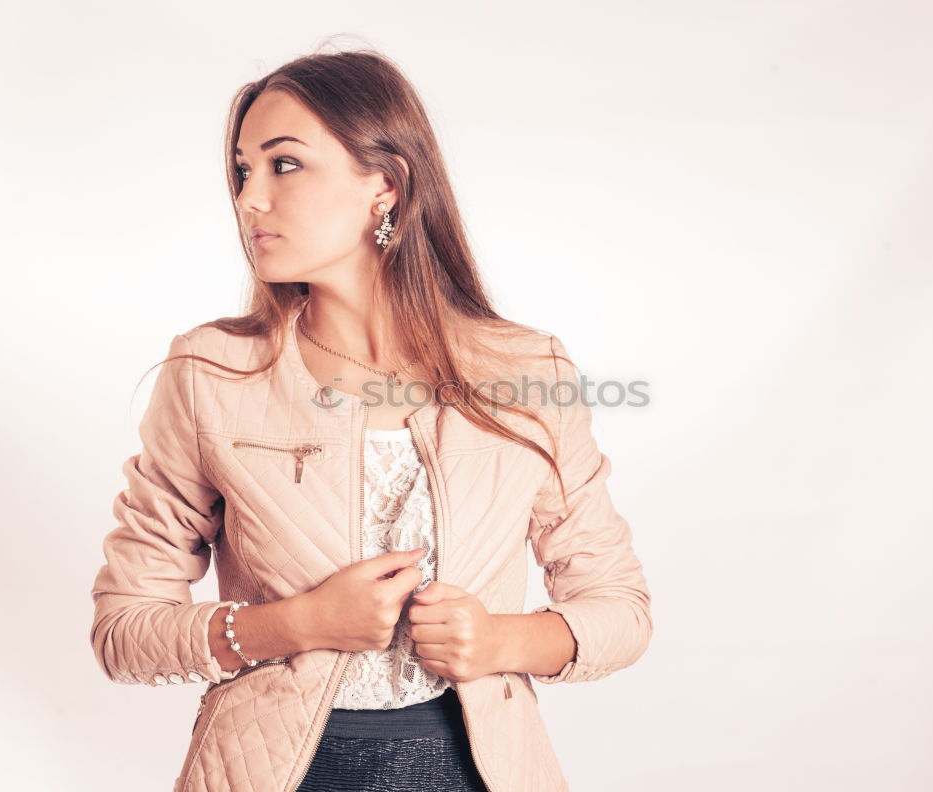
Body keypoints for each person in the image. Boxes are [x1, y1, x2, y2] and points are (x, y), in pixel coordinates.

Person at [90, 43, 654, 792]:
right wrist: (298, 625)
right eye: (241, 171)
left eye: (283, 164)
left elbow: (618, 609)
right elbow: (124, 630)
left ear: (384, 184)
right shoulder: (212, 375)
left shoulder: (527, 373)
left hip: (476, 772)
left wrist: (496, 640)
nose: (249, 197)